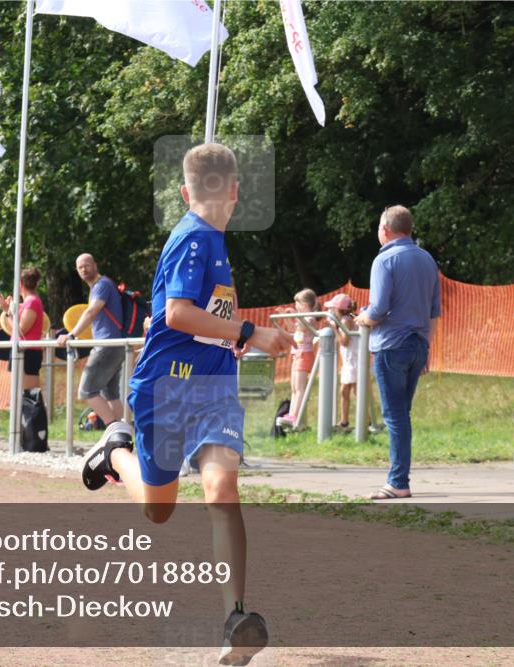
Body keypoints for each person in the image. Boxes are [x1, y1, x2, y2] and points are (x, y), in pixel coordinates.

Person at [78, 143, 292, 665]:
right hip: (166, 389)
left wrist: (229, 339)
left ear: (184, 190)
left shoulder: (213, 242)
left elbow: (196, 315)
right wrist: (251, 331)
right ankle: (114, 453)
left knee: (223, 488)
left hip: (213, 388)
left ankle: (235, 620)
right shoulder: (194, 238)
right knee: (158, 508)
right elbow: (176, 314)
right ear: (236, 192)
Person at [356, 206, 441, 499]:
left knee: (394, 416)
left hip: (391, 346)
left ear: (386, 229)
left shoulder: (385, 259)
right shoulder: (427, 259)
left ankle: (398, 481)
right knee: (402, 414)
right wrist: (427, 347)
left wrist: (363, 317)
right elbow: (433, 311)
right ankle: (399, 476)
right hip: (418, 344)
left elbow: (378, 309)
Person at [56, 254, 125, 425]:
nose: (83, 269)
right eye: (80, 267)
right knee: (111, 393)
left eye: (86, 265)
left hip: (106, 345)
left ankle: (113, 430)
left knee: (87, 391)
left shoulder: (101, 285)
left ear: (95, 265)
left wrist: (72, 334)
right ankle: (125, 433)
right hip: (114, 345)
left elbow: (91, 311)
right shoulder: (101, 285)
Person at [0, 266, 46, 391]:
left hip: (28, 352)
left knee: (29, 396)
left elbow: (20, 330)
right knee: (21, 395)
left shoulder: (32, 302)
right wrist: (10, 310)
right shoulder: (29, 302)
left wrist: (7, 311)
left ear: (20, 284)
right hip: (22, 350)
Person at [276, 289, 319, 429]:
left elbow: (302, 327)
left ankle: (294, 416)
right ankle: (292, 415)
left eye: (297, 303)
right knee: (294, 387)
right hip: (296, 354)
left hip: (304, 355)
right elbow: (292, 330)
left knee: (300, 388)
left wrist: (294, 314)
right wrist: (286, 317)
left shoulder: (310, 317)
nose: (295, 306)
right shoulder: (302, 317)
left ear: (305, 304)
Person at [325, 294, 358, 430]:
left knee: (355, 391)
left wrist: (334, 328)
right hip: (350, 359)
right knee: (345, 391)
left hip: (354, 359)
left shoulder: (345, 320)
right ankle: (345, 421)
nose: (331, 312)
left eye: (333, 309)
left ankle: (365, 420)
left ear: (339, 309)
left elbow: (344, 341)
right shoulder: (345, 319)